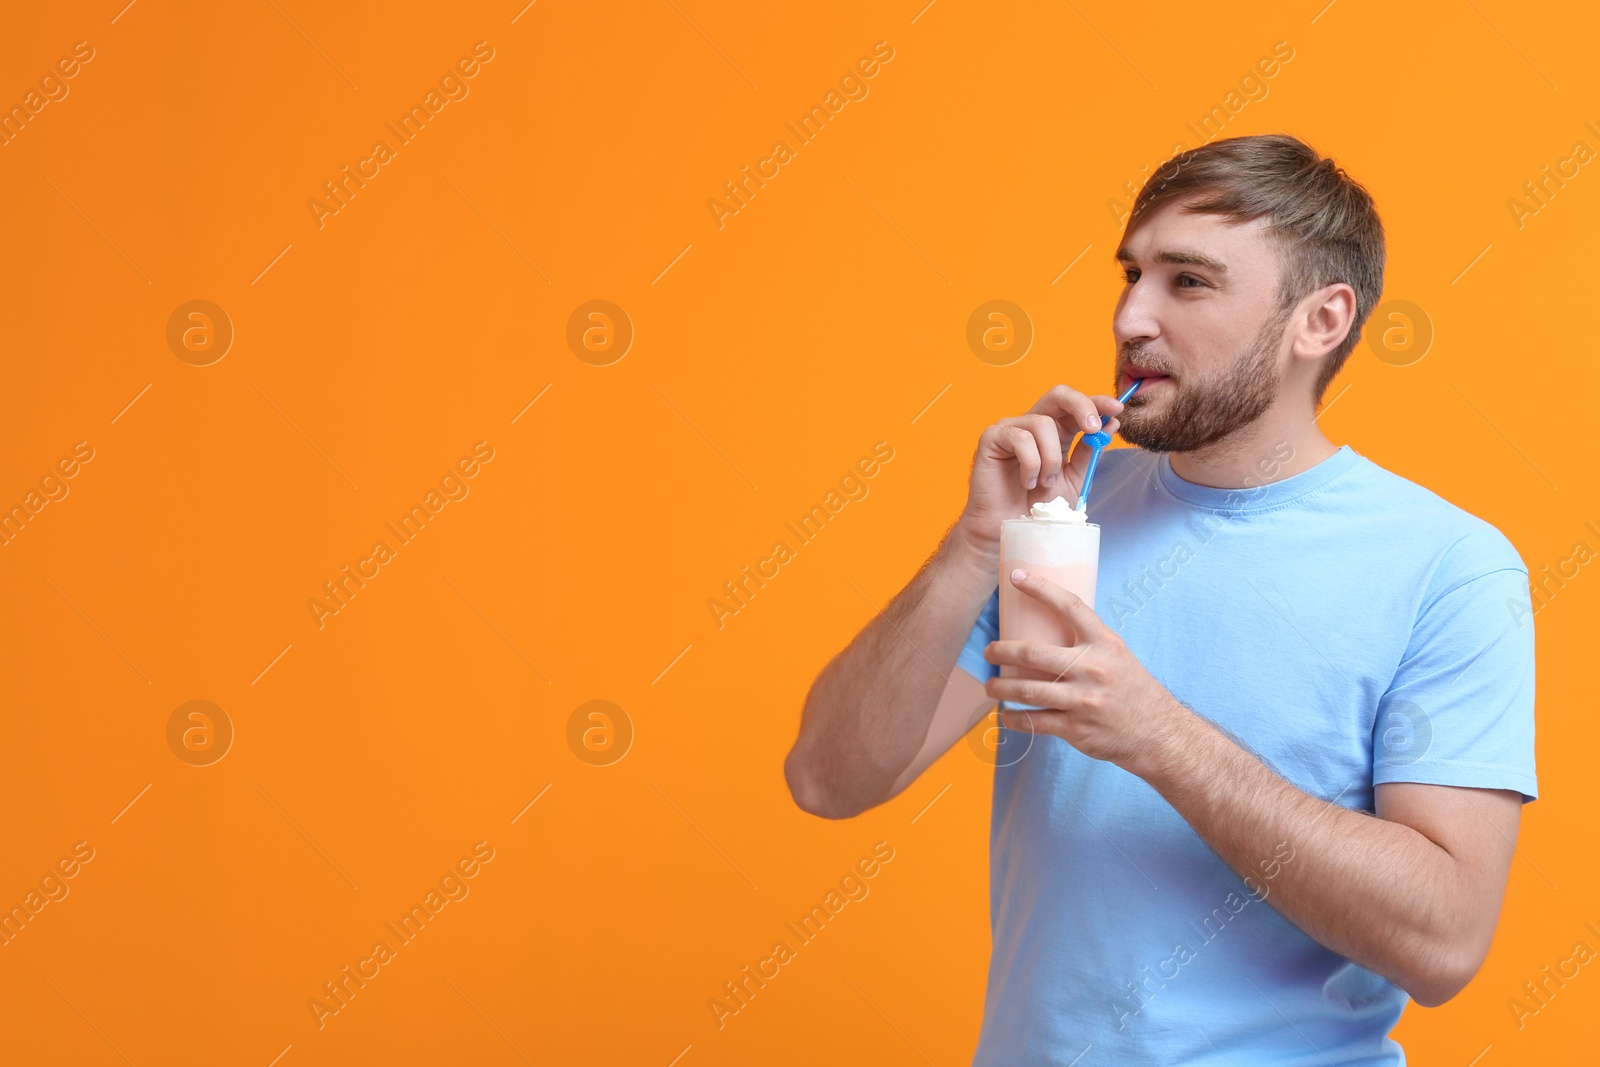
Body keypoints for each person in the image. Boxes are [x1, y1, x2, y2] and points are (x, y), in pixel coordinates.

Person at [782, 133, 1536, 1065]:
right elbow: (828, 778)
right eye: (1131, 274)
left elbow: (1444, 940)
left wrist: (1157, 734)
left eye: (1188, 281)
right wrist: (972, 546)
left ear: (1321, 320)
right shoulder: (1069, 512)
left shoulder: (1449, 566)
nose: (1132, 316)